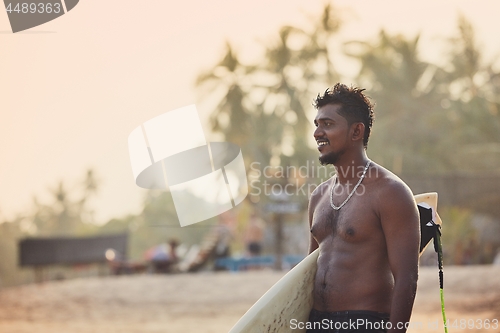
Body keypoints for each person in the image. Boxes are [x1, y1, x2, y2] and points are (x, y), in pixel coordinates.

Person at [307, 83, 420, 333]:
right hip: (316, 324)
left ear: (356, 131)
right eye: (316, 124)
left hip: (364, 323)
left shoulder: (391, 193)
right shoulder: (319, 196)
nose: (317, 132)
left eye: (327, 124)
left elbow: (406, 279)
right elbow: (310, 269)